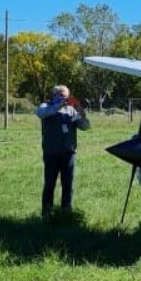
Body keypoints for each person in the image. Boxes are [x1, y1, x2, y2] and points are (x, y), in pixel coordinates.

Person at [36, 85, 90, 217]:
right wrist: (58, 106)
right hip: (51, 153)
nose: (64, 99)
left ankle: (66, 213)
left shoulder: (71, 111)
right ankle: (47, 213)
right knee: (49, 184)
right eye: (61, 95)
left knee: (68, 184)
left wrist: (81, 112)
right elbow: (40, 113)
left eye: (66, 96)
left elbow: (85, 127)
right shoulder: (46, 106)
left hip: (68, 153)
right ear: (54, 95)